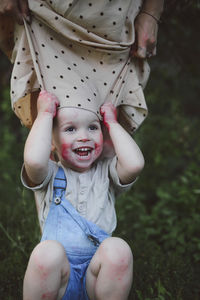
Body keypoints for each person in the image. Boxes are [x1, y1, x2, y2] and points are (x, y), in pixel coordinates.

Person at [21, 89, 145, 300]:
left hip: (96, 279)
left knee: (118, 249)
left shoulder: (107, 172)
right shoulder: (49, 173)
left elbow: (135, 164)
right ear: (51, 142)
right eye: (70, 129)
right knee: (47, 253)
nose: (84, 137)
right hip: (57, 280)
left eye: (93, 127)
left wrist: (112, 124)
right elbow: (33, 160)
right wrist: (44, 114)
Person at [0, 0, 164, 132]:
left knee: (108, 146)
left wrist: (151, 12)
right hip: (42, 14)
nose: (83, 139)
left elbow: (132, 165)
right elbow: (36, 162)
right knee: (52, 133)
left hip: (114, 23)